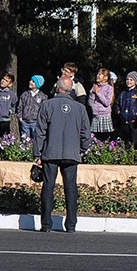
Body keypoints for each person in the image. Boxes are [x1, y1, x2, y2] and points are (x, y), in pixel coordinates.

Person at [33, 75, 91, 233]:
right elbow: (86, 133)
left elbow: (40, 132)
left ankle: (46, 224)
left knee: (48, 187)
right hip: (71, 154)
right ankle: (71, 225)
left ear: (57, 88)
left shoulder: (47, 105)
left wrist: (37, 154)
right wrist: (82, 149)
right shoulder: (80, 108)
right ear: (71, 90)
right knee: (71, 189)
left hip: (50, 153)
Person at [115, 71, 137, 148]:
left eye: (131, 80)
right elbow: (117, 104)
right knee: (124, 142)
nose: (129, 81)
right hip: (123, 121)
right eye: (127, 79)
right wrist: (119, 112)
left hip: (134, 122)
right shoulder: (122, 93)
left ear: (135, 82)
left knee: (134, 142)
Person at [16, 74, 47, 140]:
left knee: (35, 138)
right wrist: (20, 117)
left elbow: (43, 110)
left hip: (35, 122)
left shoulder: (43, 97)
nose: (30, 82)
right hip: (24, 121)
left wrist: (40, 120)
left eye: (33, 81)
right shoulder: (25, 94)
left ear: (38, 84)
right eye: (31, 80)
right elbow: (20, 106)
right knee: (25, 139)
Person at [88, 68, 115, 141]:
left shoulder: (109, 88)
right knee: (94, 138)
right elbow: (90, 103)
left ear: (105, 77)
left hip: (104, 116)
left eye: (100, 74)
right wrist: (92, 93)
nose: (97, 75)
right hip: (95, 115)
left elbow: (107, 103)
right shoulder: (95, 86)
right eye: (97, 74)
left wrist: (98, 93)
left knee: (104, 138)